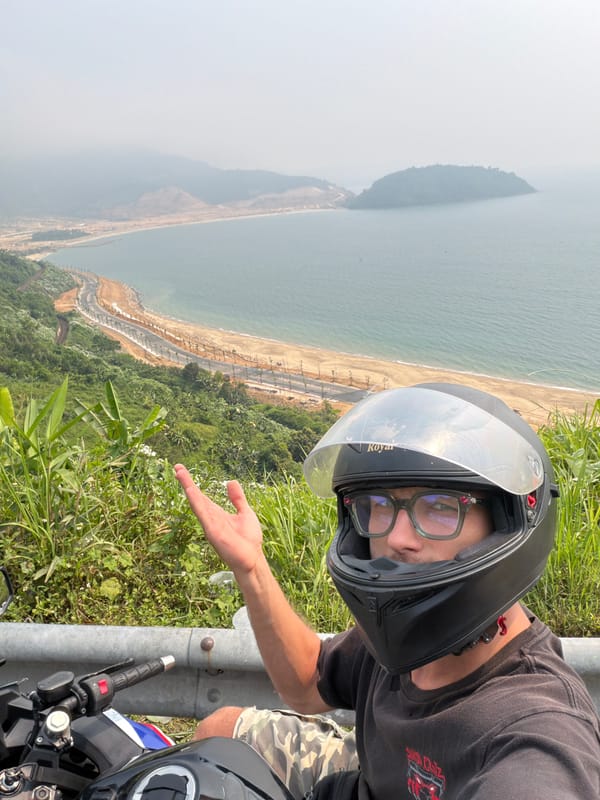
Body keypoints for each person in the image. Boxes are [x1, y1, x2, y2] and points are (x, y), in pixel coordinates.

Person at [175, 382, 600, 800]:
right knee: (219, 732)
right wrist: (252, 568)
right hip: (364, 781)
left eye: (438, 506)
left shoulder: (535, 731)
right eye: (376, 505)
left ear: (505, 523)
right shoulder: (403, 641)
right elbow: (306, 683)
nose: (397, 539)